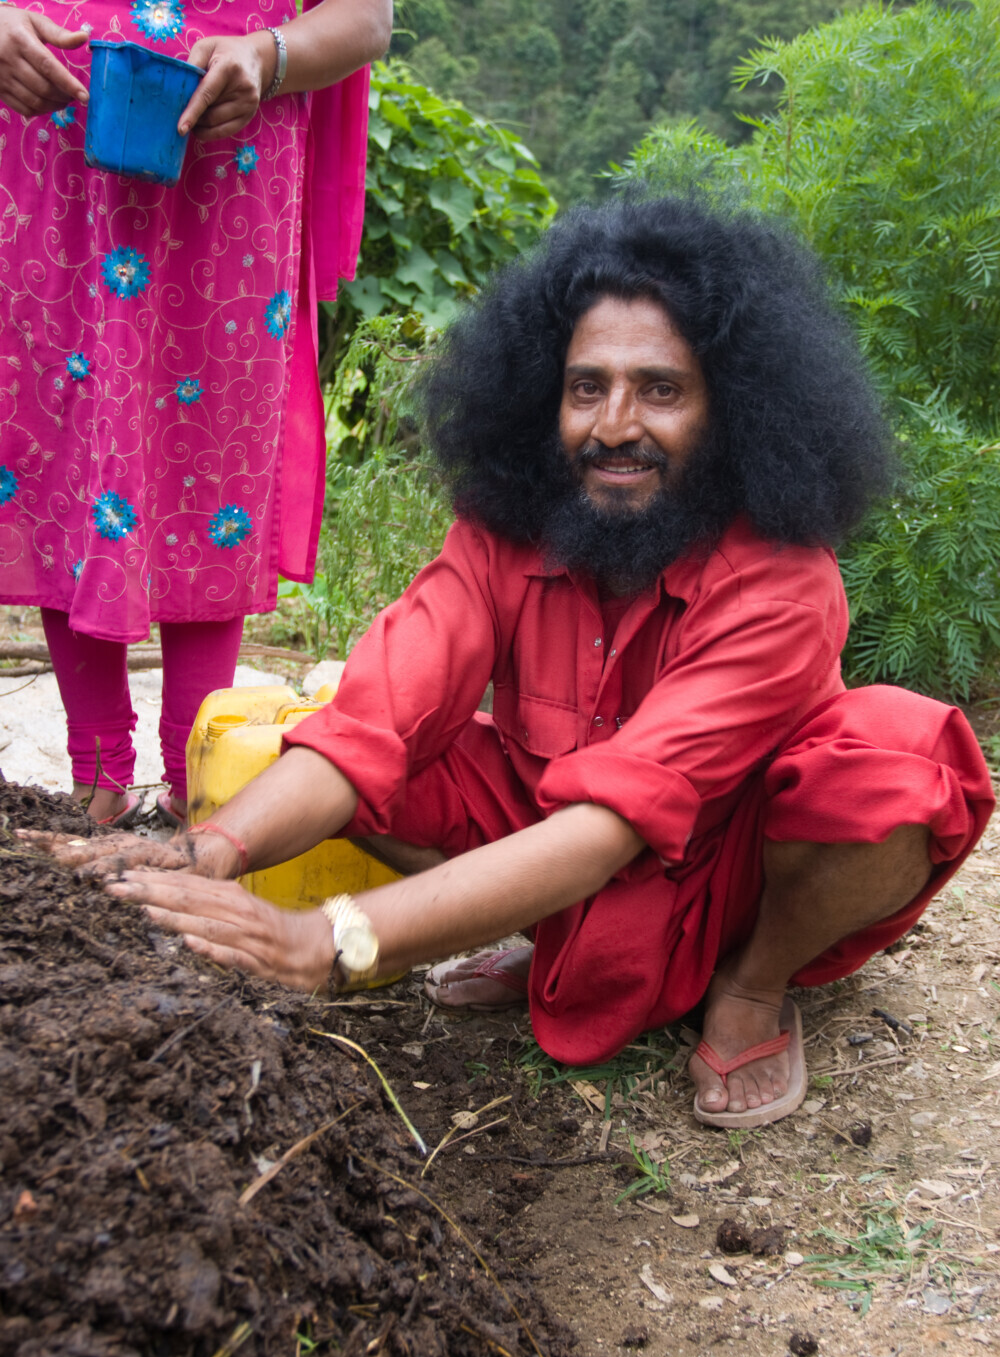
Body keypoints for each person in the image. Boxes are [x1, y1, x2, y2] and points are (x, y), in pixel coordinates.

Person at [24, 197, 994, 1129]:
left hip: (718, 879)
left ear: (731, 409)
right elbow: (370, 723)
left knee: (895, 761)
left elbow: (614, 821)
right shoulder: (502, 536)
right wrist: (207, 851)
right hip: (552, 841)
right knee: (345, 745)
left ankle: (748, 988)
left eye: (659, 389)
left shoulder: (780, 580)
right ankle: (554, 936)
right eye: (586, 388)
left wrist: (337, 941)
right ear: (544, 397)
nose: (614, 425)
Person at [0, 0, 392, 824]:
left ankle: (198, 794)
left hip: (229, 182)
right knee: (69, 443)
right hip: (51, 174)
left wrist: (268, 55)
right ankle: (95, 788)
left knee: (212, 466)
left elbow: (366, 19)